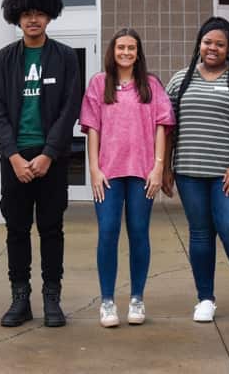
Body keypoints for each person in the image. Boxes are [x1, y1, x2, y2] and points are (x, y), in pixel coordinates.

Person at [0, 0, 83, 328]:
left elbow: (70, 107)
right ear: (17, 17)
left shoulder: (65, 56)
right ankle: (20, 298)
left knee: (51, 229)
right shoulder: (4, 58)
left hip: (52, 159)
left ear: (49, 16)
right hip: (14, 159)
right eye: (27, 14)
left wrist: (48, 154)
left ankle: (52, 298)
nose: (33, 19)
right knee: (16, 229)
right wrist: (13, 156)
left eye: (39, 13)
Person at [164, 16, 229, 324]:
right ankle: (205, 298)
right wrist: (167, 167)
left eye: (220, 44)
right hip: (189, 170)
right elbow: (167, 128)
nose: (213, 48)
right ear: (199, 44)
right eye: (208, 42)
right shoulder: (180, 79)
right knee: (200, 234)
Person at [81, 29, 175, 328]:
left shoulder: (151, 85)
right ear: (113, 50)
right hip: (108, 174)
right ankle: (107, 301)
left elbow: (162, 125)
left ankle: (137, 298)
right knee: (107, 232)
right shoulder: (99, 83)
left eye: (131, 48)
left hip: (142, 173)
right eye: (121, 47)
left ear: (138, 52)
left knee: (138, 233)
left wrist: (158, 167)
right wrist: (94, 169)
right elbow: (92, 128)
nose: (125, 52)